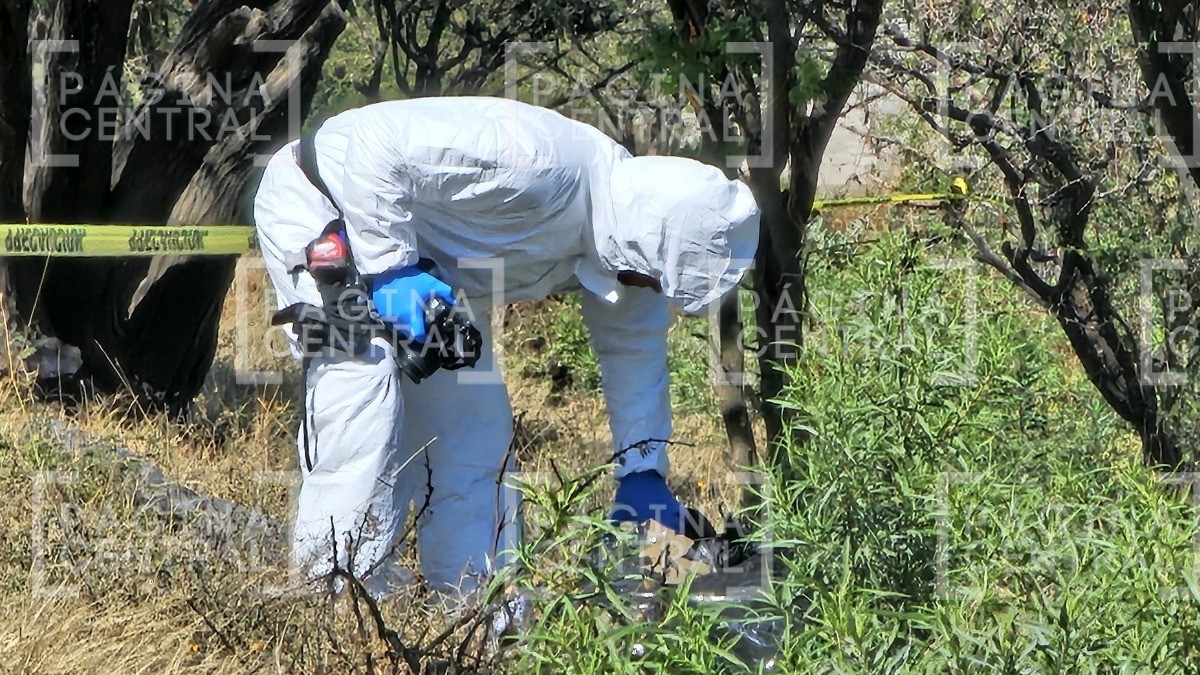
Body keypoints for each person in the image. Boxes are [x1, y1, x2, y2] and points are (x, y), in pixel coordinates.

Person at [252, 96, 760, 596]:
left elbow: (635, 354)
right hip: (323, 200)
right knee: (365, 394)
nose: (651, 291)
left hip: (424, 269)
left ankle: (474, 619)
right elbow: (375, 144)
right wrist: (390, 268)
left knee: (477, 434)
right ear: (651, 243)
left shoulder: (634, 254)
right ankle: (337, 613)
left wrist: (643, 471)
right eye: (657, 279)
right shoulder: (539, 163)